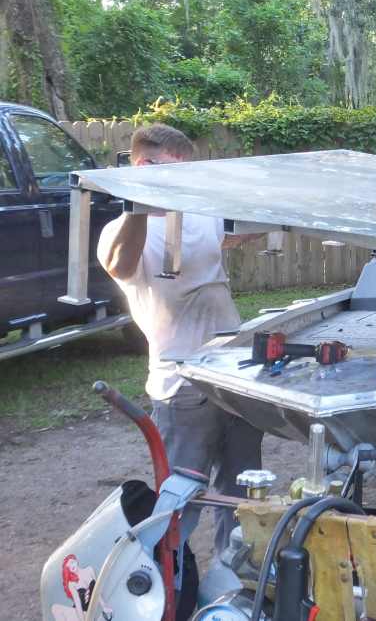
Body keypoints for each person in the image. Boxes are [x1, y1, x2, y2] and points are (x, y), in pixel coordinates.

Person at [97, 123, 264, 555]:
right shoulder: (120, 232)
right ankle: (172, 590)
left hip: (235, 372)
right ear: (141, 167)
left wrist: (276, 203)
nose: (181, 185)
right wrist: (140, 202)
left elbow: (244, 230)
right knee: (178, 502)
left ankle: (236, 582)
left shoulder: (201, 214)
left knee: (244, 496)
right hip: (182, 386)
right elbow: (120, 263)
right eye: (172, 174)